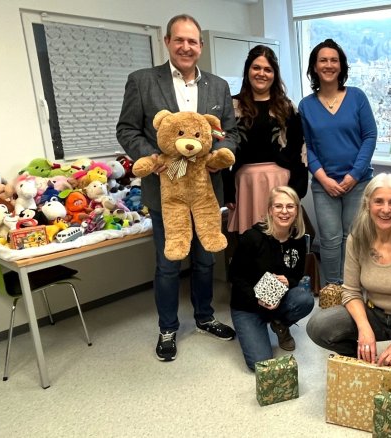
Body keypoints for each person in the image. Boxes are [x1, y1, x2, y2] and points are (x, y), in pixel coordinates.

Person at [116, 14, 238, 362]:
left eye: (193, 41)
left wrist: (217, 154)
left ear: (201, 46)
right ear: (167, 42)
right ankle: (168, 328)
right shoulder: (142, 82)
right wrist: (153, 156)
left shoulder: (218, 86)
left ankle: (204, 317)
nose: (187, 47)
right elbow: (127, 130)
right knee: (168, 263)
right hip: (164, 191)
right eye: (180, 40)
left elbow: (231, 132)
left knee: (204, 261)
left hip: (205, 190)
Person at [306, 173, 391, 399]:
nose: (385, 209)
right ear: (368, 203)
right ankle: (367, 359)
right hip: (375, 314)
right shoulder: (357, 239)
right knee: (319, 326)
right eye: (379, 201)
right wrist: (364, 328)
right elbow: (351, 292)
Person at [299, 38, 377, 287]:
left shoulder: (357, 97)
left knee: (354, 238)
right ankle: (333, 291)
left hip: (359, 183)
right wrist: (323, 178)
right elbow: (307, 146)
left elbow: (369, 136)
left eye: (334, 60)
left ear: (341, 66)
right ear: (314, 66)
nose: (329, 65)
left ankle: (354, 289)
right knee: (330, 240)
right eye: (323, 60)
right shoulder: (306, 105)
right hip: (324, 186)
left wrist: (354, 175)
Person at [228, 186, 315, 370]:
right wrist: (257, 299)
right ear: (270, 210)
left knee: (304, 299)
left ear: (297, 210)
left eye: (290, 206)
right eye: (278, 206)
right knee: (260, 363)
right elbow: (235, 276)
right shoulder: (252, 238)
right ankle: (261, 323)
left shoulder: (298, 239)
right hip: (247, 306)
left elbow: (297, 274)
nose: (284, 211)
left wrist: (288, 281)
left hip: (278, 299)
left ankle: (279, 323)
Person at [223, 45, 307, 236]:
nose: (262, 73)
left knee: (280, 240)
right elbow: (222, 150)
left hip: (280, 183)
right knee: (249, 244)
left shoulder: (287, 107)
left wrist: (296, 190)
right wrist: (227, 190)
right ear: (248, 71)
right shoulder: (231, 106)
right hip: (245, 186)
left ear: (275, 74)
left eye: (268, 69)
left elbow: (300, 149)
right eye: (256, 68)